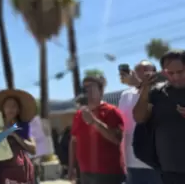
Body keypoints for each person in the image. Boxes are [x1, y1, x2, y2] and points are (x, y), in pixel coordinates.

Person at [133, 50, 185, 183]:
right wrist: (145, 89)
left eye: (180, 72)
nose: (176, 77)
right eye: (171, 73)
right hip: (170, 171)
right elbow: (139, 117)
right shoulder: (157, 93)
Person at [69, 75, 125, 184]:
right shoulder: (79, 115)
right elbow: (73, 141)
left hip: (108, 174)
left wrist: (94, 122)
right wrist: (72, 167)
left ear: (101, 90)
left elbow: (118, 139)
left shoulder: (112, 112)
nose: (86, 90)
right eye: (84, 88)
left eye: (90, 87)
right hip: (85, 173)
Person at [118, 60, 163, 184]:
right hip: (131, 161)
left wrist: (141, 86)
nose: (141, 73)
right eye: (137, 70)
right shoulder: (125, 95)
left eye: (146, 70)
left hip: (155, 162)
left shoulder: (162, 91)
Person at [0, 89, 37, 184]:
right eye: (7, 106)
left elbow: (33, 149)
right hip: (1, 171)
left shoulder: (24, 126)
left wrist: (15, 135)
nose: (10, 109)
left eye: (14, 106)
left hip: (21, 171)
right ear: (2, 109)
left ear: (18, 110)